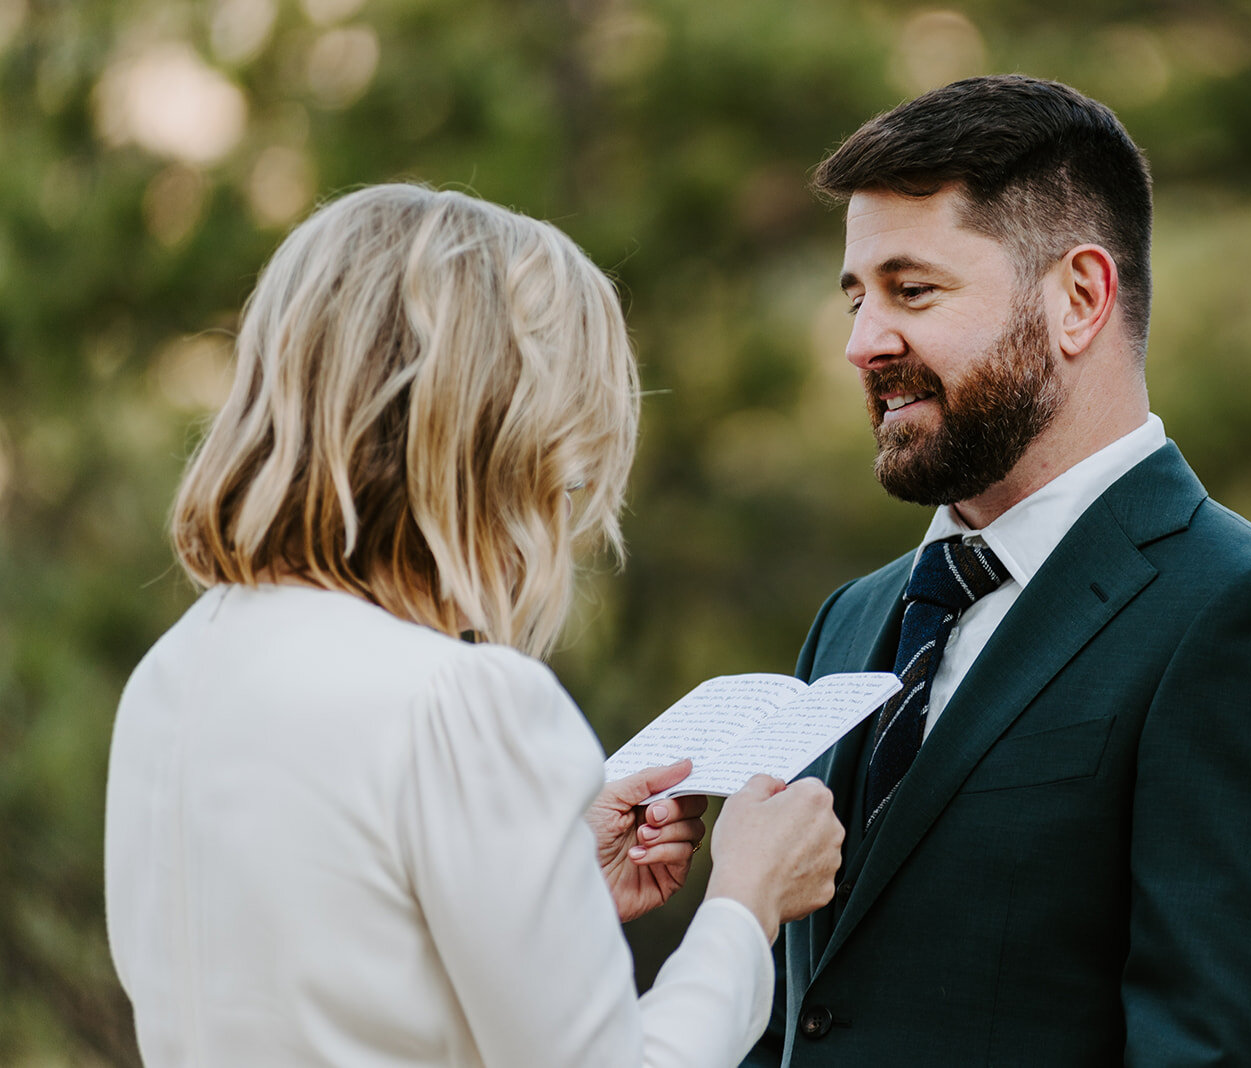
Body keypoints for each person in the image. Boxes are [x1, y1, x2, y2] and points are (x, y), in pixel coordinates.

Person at [103, 183, 844, 1068]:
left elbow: (353, 970)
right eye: (569, 473)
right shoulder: (464, 703)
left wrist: (555, 887)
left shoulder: (177, 672)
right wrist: (745, 903)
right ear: (501, 442)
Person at [744, 75, 1251, 1066]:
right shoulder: (851, 620)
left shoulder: (1239, 619)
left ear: (1079, 297)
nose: (862, 342)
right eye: (855, 296)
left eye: (912, 290)